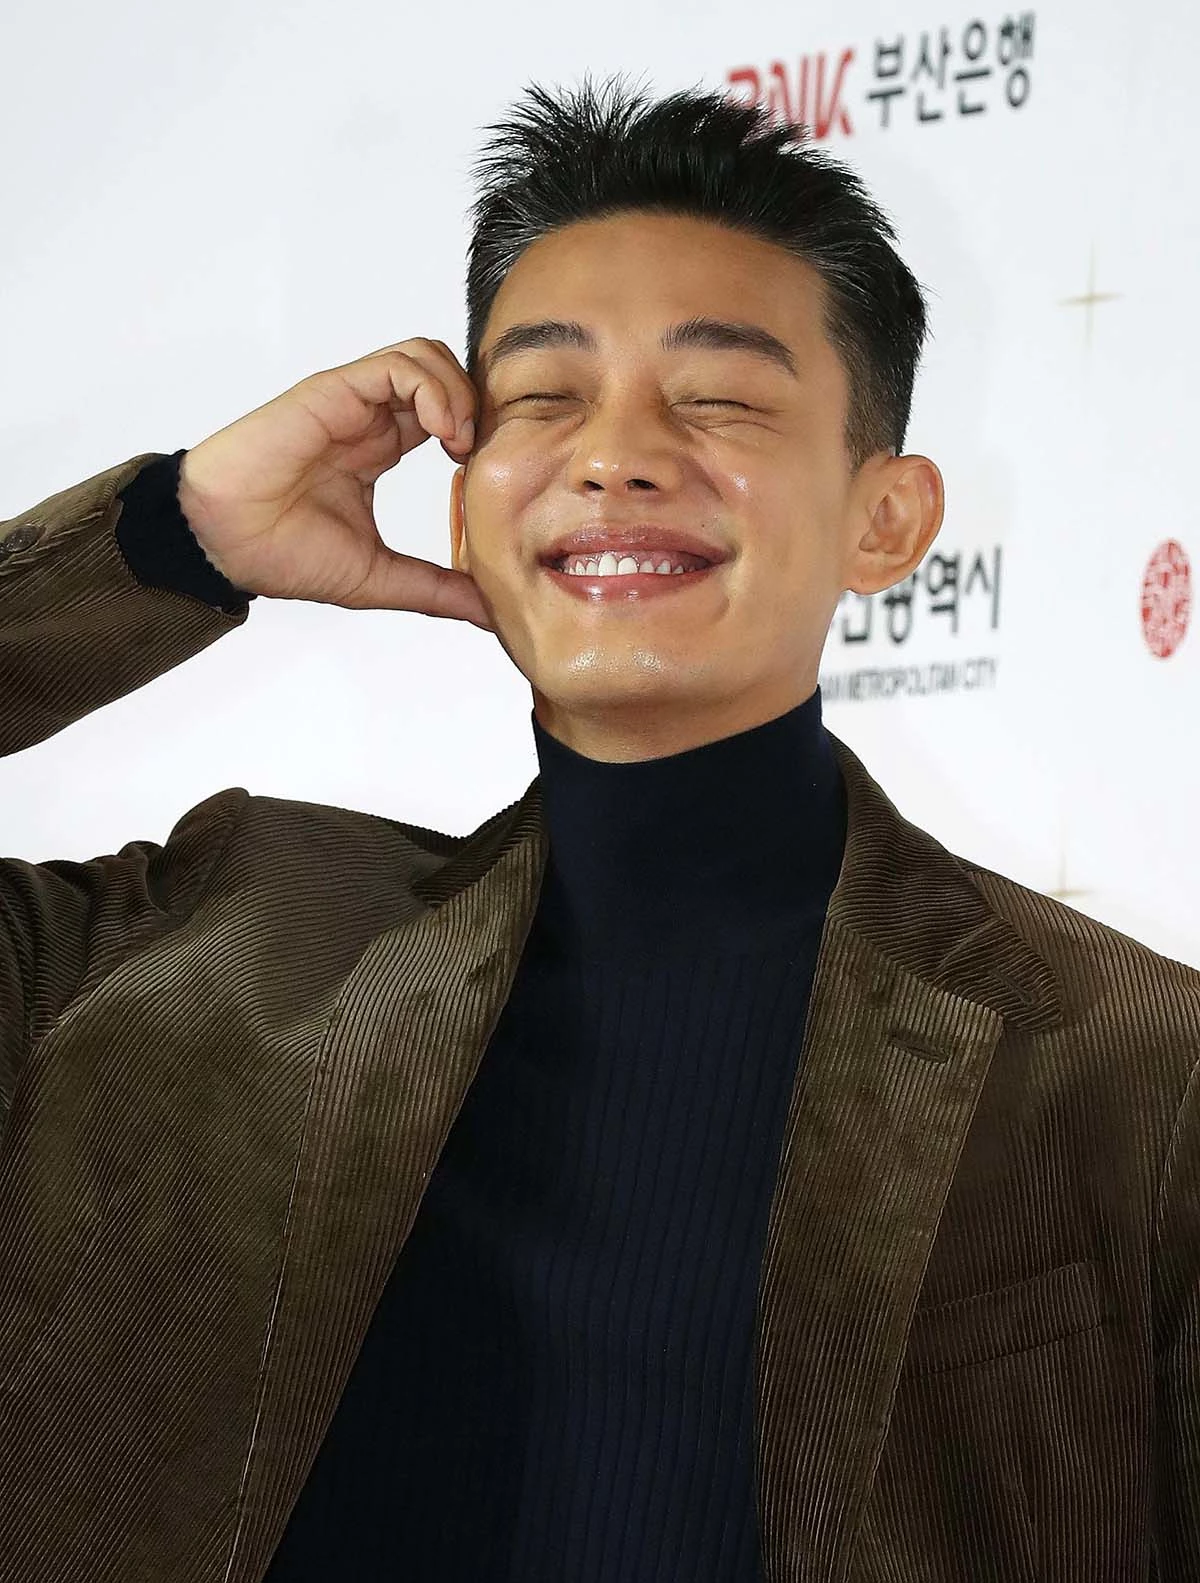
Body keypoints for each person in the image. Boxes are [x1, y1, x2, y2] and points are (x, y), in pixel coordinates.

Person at [0, 73, 1196, 1583]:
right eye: (544, 398)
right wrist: (175, 536)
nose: (614, 453)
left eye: (721, 398)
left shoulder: (1137, 1076)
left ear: (885, 519)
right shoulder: (200, 943)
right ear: (464, 503)